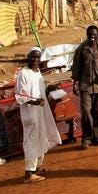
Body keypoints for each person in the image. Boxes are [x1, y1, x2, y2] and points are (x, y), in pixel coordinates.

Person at [17, 47, 62, 183]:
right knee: (31, 141)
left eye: (37, 57)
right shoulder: (23, 74)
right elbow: (20, 95)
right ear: (28, 57)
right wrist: (35, 102)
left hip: (40, 111)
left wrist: (50, 90)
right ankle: (28, 173)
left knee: (41, 137)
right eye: (33, 57)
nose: (35, 60)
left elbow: (40, 90)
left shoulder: (37, 72)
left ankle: (36, 167)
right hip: (30, 112)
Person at [71, 25, 98, 149]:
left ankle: (97, 136)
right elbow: (76, 67)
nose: (92, 37)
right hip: (85, 85)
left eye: (94, 34)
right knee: (86, 112)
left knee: (97, 111)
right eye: (90, 34)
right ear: (87, 34)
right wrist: (75, 83)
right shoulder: (82, 49)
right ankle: (86, 138)